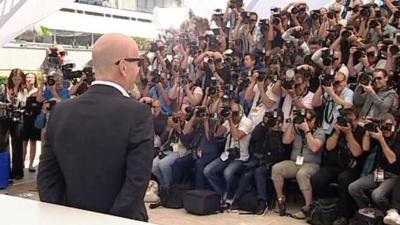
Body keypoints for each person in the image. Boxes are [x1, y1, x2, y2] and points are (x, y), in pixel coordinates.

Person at [37, 34, 154, 221]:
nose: (140, 69)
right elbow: (137, 182)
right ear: (123, 66)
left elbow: (47, 178)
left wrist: (61, 217)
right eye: (138, 62)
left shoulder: (61, 111)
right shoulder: (137, 113)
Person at [0, 68, 27, 180]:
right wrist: (6, 104)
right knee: (3, 144)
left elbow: (24, 105)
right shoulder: (3, 87)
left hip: (17, 119)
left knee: (18, 145)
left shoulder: (23, 90)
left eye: (19, 79)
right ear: (11, 78)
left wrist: (19, 108)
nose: (17, 81)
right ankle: (5, 172)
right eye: (15, 78)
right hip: (4, 118)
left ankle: (17, 172)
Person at [22, 73, 42, 172]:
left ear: (35, 79)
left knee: (33, 142)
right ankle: (21, 163)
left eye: (32, 77)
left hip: (34, 119)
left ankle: (30, 165)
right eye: (28, 77)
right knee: (23, 142)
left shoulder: (38, 91)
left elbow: (40, 101)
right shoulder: (23, 90)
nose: (30, 79)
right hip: (24, 119)